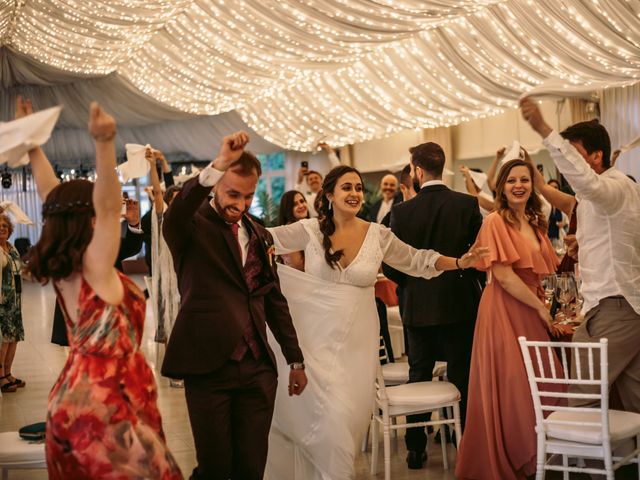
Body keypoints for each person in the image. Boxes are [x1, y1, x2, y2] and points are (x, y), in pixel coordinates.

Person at [264, 164, 488, 479]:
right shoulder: (309, 230)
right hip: (314, 342)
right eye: (346, 187)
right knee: (325, 420)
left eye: (358, 188)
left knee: (345, 419)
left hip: (356, 347)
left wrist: (460, 262)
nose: (355, 193)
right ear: (329, 194)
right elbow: (262, 236)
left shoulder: (376, 234)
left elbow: (417, 258)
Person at [17, 97, 181, 479]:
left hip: (75, 398)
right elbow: (108, 209)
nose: (101, 215)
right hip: (108, 407)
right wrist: (104, 143)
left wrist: (33, 144)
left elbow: (50, 195)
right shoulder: (94, 267)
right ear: (87, 217)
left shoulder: (69, 269)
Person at [161, 131, 308, 480]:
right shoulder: (190, 226)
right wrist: (219, 164)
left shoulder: (258, 234)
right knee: (214, 468)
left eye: (248, 196)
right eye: (232, 194)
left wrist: (295, 358)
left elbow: (274, 300)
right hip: (209, 368)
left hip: (257, 370)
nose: (240, 205)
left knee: (251, 468)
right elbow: (177, 211)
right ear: (215, 186)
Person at [520, 98, 640, 414]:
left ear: (596, 156)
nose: (569, 163)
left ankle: (571, 462)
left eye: (575, 154)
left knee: (582, 399)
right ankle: (622, 462)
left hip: (614, 306)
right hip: (621, 305)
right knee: (632, 399)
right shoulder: (603, 197)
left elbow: (587, 184)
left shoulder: (613, 189)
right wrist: (582, 245)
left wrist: (544, 129)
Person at [455, 159, 565, 480]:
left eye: (525, 180)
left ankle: (541, 455)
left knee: (544, 381)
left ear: (533, 185)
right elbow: (503, 276)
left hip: (531, 308)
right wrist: (541, 309)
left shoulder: (534, 221)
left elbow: (546, 272)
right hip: (504, 309)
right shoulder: (494, 222)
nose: (519, 185)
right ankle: (514, 460)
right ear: (501, 186)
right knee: (513, 385)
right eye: (511, 180)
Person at [383, 142, 484, 469]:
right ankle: (465, 443)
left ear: (416, 171)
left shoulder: (401, 212)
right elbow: (477, 256)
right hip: (461, 304)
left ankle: (415, 448)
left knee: (419, 373)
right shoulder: (467, 205)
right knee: (462, 375)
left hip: (418, 306)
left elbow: (391, 266)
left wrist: (411, 286)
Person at [50, 195, 144, 346]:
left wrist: (133, 223)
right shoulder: (69, 240)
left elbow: (131, 247)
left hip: (108, 310)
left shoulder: (107, 240)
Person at [0, 214, 25, 393]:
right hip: (2, 300)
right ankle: (1, 377)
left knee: (13, 338)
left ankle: (8, 372)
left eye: (5, 226)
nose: (2, 228)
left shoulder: (12, 248)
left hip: (15, 300)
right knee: (3, 340)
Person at [294, 143, 341, 217]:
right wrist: (299, 179)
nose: (313, 180)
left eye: (316, 178)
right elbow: (295, 194)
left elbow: (337, 169)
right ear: (307, 183)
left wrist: (328, 148)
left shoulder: (329, 193)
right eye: (310, 179)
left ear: (322, 180)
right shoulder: (305, 198)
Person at [277, 190, 309, 271]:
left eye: (302, 201)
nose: (301, 205)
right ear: (288, 209)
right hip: (299, 279)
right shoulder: (289, 231)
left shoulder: (305, 225)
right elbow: (297, 265)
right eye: (295, 204)